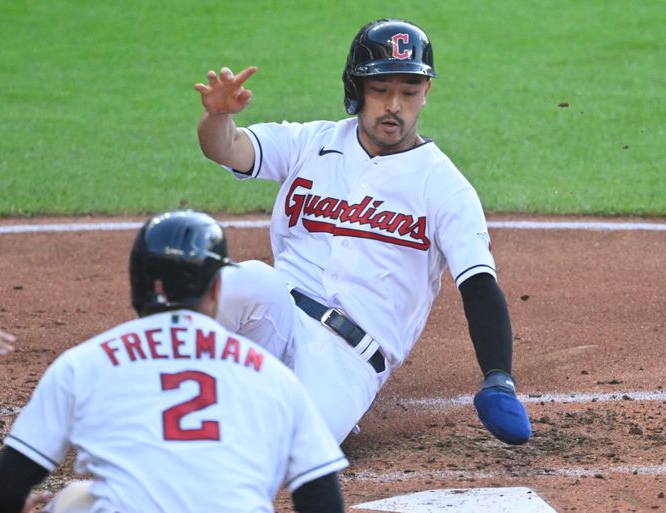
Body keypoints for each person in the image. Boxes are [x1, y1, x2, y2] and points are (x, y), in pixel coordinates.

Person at [193, 18, 531, 446]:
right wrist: (217, 116)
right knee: (243, 280)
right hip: (277, 314)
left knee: (292, 447)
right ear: (356, 90)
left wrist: (498, 376)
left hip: (347, 360)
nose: (394, 105)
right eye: (380, 90)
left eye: (408, 92)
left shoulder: (446, 188)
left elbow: (479, 284)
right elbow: (227, 147)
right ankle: (151, 390)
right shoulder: (310, 143)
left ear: (426, 92)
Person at [0, 210, 348, 513]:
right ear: (216, 290)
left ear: (136, 282)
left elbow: (7, 489)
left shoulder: (84, 363)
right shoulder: (274, 377)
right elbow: (326, 512)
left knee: (70, 502)